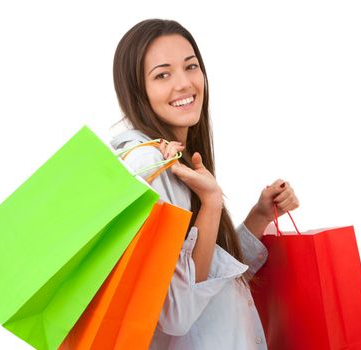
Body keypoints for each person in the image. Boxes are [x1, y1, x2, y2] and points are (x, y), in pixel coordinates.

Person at [110, 19, 299, 350]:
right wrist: (211, 203)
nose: (184, 83)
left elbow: (206, 270)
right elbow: (177, 311)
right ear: (137, 90)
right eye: (162, 74)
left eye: (191, 66)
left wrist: (259, 216)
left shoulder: (177, 160)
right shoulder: (150, 166)